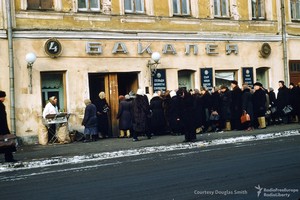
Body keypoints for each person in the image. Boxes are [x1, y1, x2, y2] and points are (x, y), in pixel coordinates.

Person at [0, 90, 17, 162]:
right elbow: (2, 118)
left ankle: (9, 157)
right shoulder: (1, 105)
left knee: (3, 143)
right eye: (3, 97)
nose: (4, 98)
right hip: (2, 127)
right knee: (7, 143)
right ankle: (9, 157)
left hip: (2, 127)